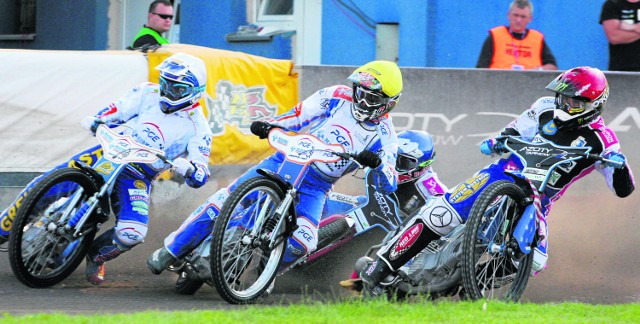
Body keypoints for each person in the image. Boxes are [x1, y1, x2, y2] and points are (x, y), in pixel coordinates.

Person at [359, 66, 635, 296]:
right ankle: (381, 268)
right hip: (502, 174)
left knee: (536, 260)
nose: (564, 104)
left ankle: (474, 284)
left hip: (539, 199)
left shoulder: (603, 139)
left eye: (573, 101)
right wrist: (498, 141)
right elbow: (513, 130)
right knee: (441, 214)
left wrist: (618, 165)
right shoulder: (544, 108)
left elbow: (624, 189)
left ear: (593, 105)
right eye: (563, 98)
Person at [146, 60, 404, 276]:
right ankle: (171, 250)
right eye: (358, 90)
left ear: (387, 103)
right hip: (285, 160)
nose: (359, 98)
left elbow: (390, 181)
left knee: (304, 241)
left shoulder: (386, 134)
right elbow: (298, 115)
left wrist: (378, 164)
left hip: (316, 186)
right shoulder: (336, 95)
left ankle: (265, 275)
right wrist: (270, 124)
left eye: (369, 96)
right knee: (225, 200)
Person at [0, 53, 213, 286]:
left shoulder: (198, 127)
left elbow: (201, 172)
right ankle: (3, 228)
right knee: (43, 185)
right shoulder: (147, 92)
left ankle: (95, 253)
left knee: (132, 233)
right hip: (108, 153)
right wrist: (97, 120)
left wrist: (191, 170)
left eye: (176, 89)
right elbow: (115, 112)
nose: (167, 93)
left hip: (138, 176)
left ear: (195, 91)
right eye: (165, 84)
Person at [338, 130, 448, 293]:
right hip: (373, 208)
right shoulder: (384, 160)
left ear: (422, 166)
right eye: (394, 157)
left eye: (404, 162)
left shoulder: (433, 189)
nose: (396, 165)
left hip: (400, 231)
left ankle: (365, 283)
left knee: (380, 255)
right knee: (341, 200)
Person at [476, 0, 557, 70]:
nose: (518, 20)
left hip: (529, 83)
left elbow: (552, 66)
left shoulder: (537, 39)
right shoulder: (495, 36)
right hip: (498, 83)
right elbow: (481, 68)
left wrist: (538, 70)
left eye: (523, 17)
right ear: (508, 15)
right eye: (516, 15)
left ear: (530, 19)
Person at [599, 0, 640, 72]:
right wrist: (636, 28)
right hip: (623, 69)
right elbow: (614, 37)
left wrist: (629, 27)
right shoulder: (613, 4)